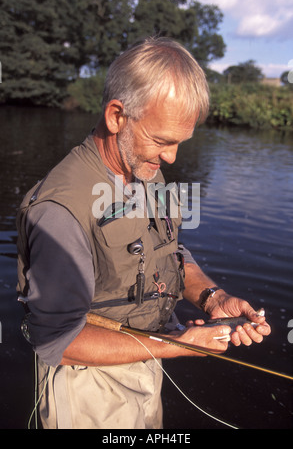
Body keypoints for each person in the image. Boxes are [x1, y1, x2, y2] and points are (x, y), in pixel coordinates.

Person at [16, 37, 270, 430]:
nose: (172, 157)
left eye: (180, 142)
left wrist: (213, 298)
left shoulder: (145, 167)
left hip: (147, 365)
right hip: (86, 391)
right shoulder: (58, 210)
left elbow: (171, 253)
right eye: (162, 141)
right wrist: (178, 345)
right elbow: (57, 343)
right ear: (117, 116)